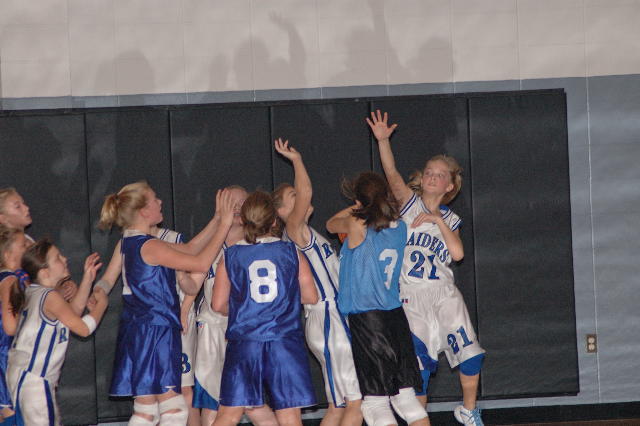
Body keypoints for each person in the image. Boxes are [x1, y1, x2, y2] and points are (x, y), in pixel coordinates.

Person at [367, 110, 486, 426]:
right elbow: (392, 173)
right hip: (411, 296)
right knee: (419, 370)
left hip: (444, 293)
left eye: (440, 174)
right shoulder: (409, 204)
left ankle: (468, 410)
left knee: (472, 355)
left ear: (450, 185)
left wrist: (437, 220)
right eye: (429, 172)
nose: (432, 176)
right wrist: (383, 141)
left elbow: (458, 253)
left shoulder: (451, 219)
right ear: (422, 179)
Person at [99, 181, 234, 425]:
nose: (160, 201)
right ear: (144, 211)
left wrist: (216, 220)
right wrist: (224, 225)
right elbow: (200, 262)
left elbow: (190, 248)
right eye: (154, 199)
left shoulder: (132, 241)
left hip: (141, 329)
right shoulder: (149, 246)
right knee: (173, 409)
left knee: (146, 410)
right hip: (155, 328)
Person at [326, 172, 429, 426]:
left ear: (359, 201)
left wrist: (359, 207)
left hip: (369, 321)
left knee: (375, 404)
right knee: (406, 400)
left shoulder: (357, 224)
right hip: (396, 319)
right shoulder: (400, 226)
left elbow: (330, 224)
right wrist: (371, 203)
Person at [272, 138, 362, 426]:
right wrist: (297, 160)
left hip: (333, 317)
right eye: (293, 195)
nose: (300, 195)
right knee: (356, 401)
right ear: (281, 211)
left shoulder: (308, 232)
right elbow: (308, 192)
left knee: (339, 405)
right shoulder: (293, 230)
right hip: (327, 317)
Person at [211, 191, 318, 426]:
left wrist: (245, 309)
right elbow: (311, 296)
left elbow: (218, 304)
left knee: (229, 414)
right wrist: (282, 302)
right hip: (284, 341)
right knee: (289, 417)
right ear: (274, 221)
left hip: (245, 342)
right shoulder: (291, 252)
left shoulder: (230, 255)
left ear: (243, 220)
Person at [194, 185, 279, 426]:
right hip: (213, 327)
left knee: (251, 402)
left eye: (242, 203)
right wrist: (184, 306)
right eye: (232, 203)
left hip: (245, 330)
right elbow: (193, 284)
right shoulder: (210, 244)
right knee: (212, 400)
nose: (237, 208)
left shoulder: (256, 246)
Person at [6, 239, 108, 425]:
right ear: (45, 272)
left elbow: (72, 314)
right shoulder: (49, 296)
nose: (65, 259)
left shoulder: (36, 292)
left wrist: (87, 278)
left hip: (25, 375)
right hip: (35, 379)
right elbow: (84, 329)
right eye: (57, 258)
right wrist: (102, 305)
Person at [0, 187, 77, 299]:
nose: (26, 208)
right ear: (2, 218)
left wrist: (63, 284)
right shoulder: (7, 253)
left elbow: (44, 277)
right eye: (17, 206)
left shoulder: (29, 240)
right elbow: (28, 288)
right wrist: (52, 294)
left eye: (23, 203)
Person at [0, 226, 30, 424]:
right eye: (24, 245)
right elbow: (10, 326)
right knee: (14, 415)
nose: (28, 247)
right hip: (6, 356)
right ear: (8, 254)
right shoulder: (10, 281)